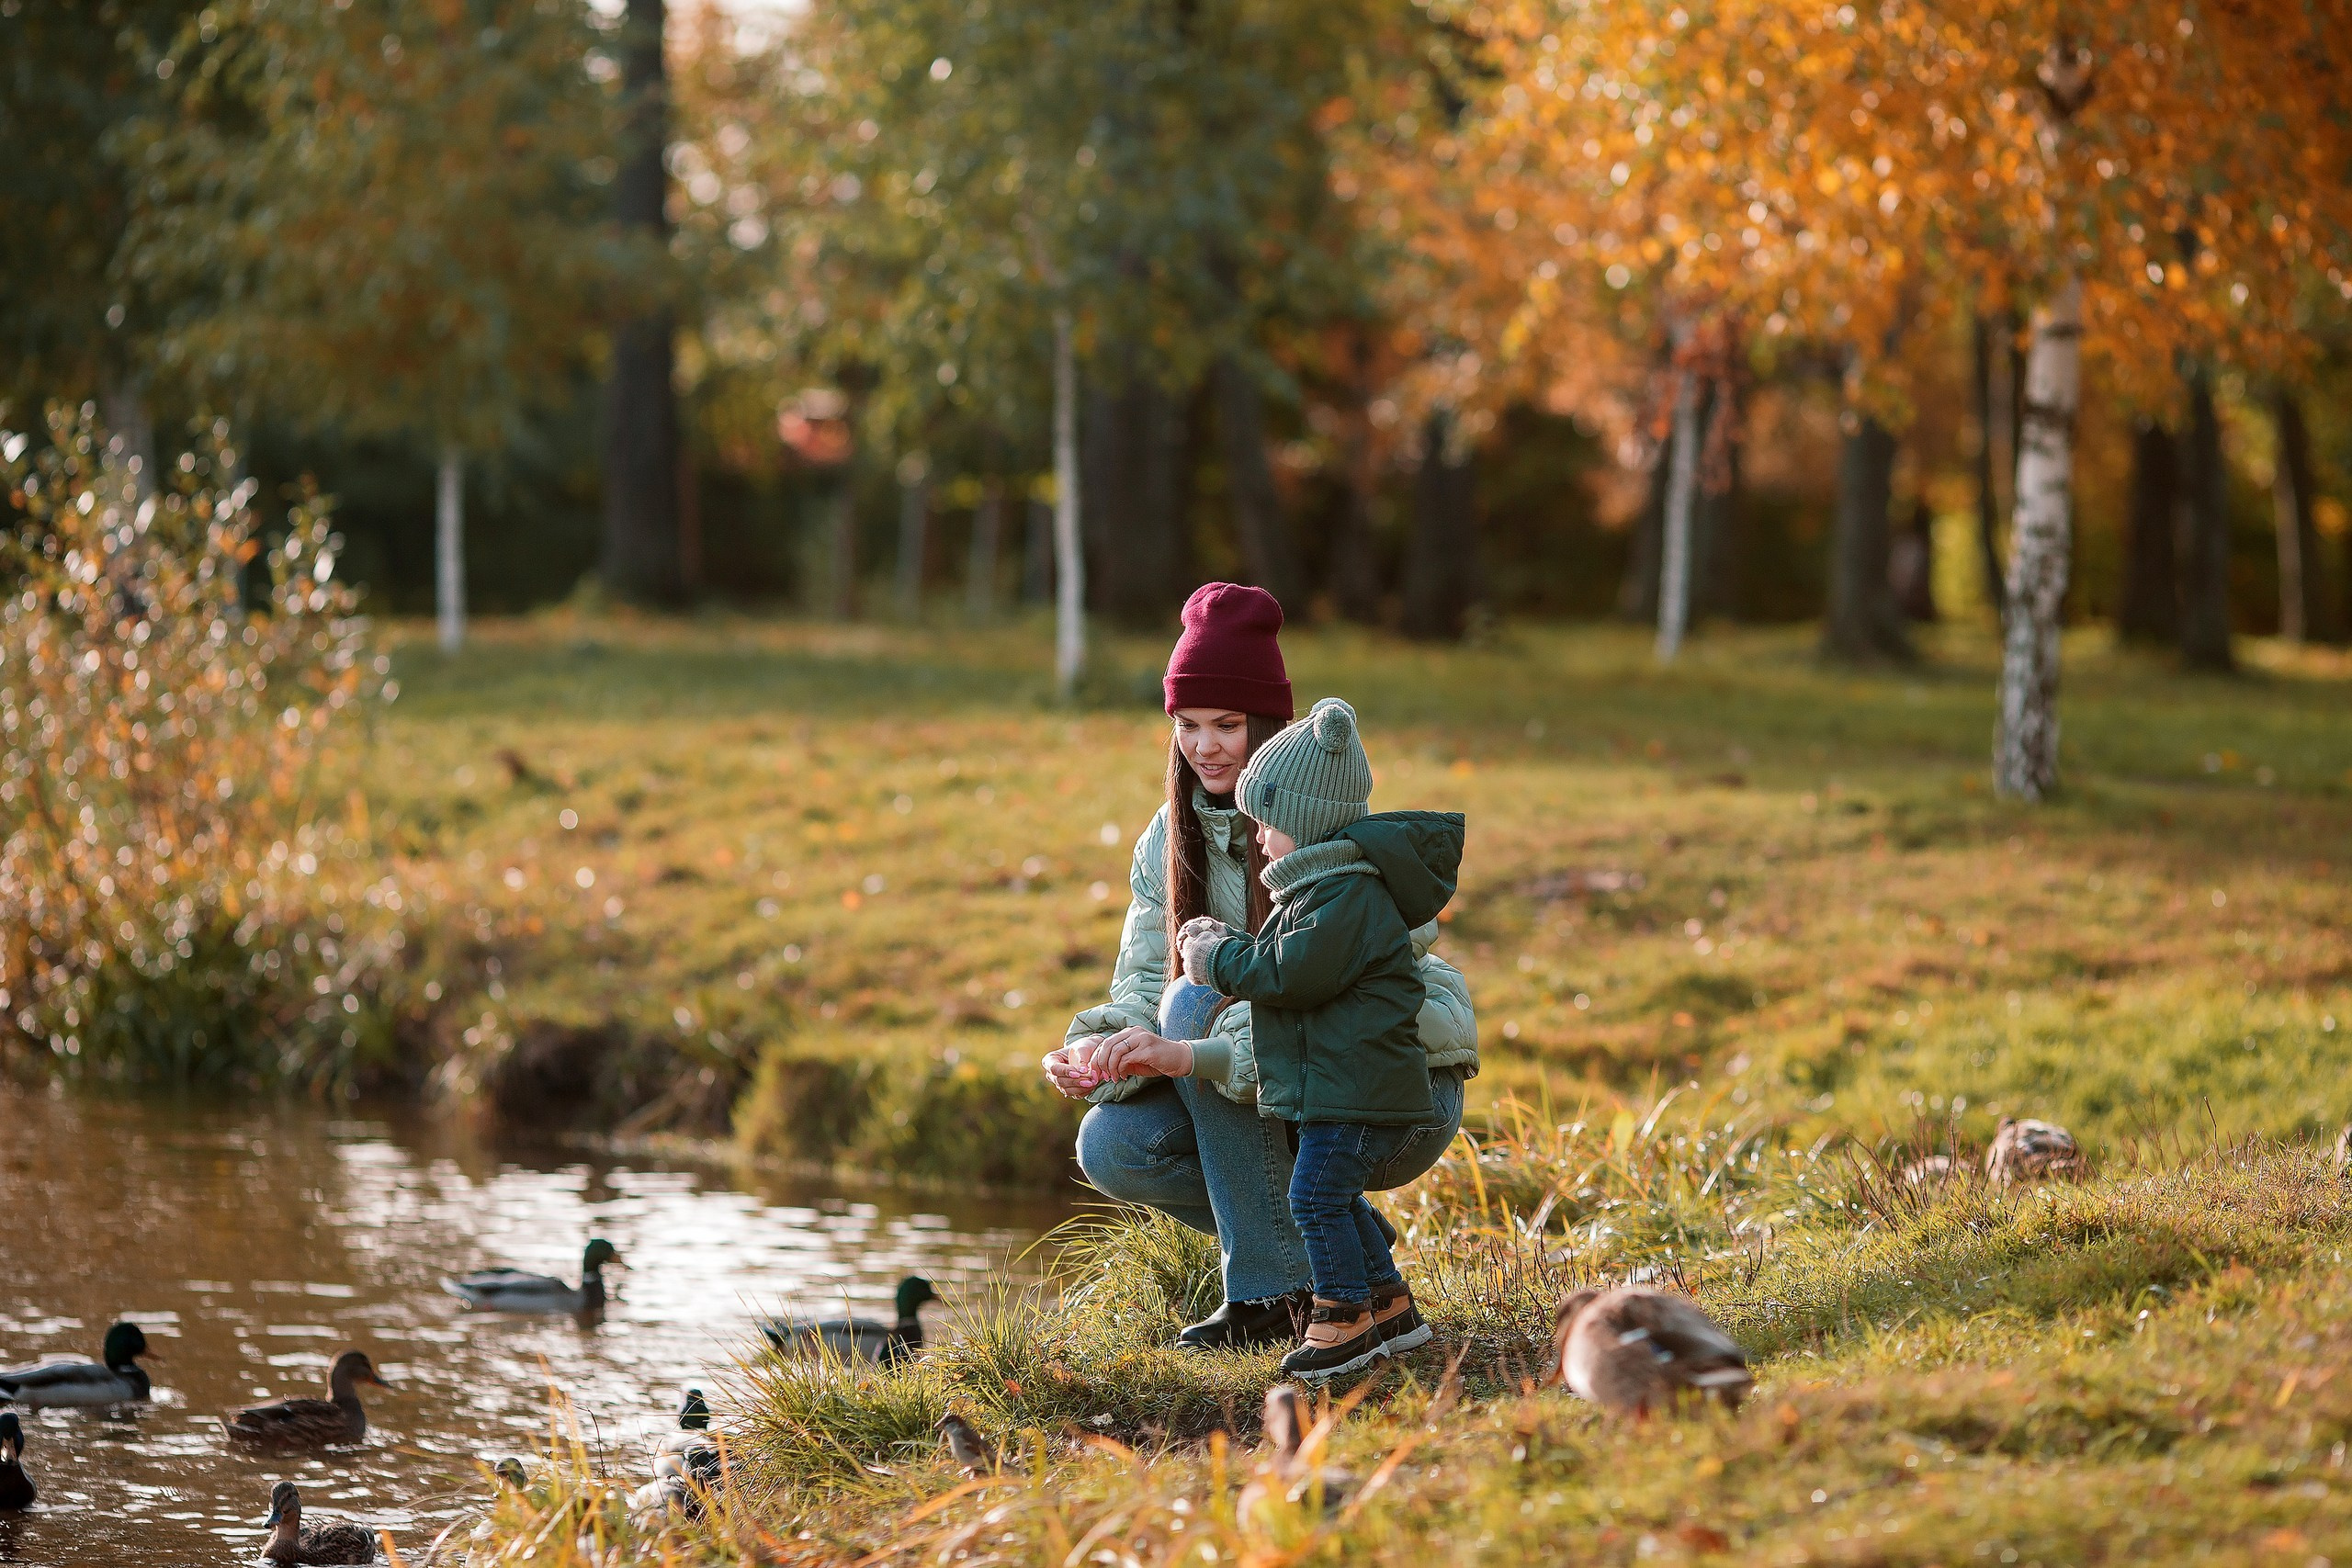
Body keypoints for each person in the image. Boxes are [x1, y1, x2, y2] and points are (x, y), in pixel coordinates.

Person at [1042, 583, 1479, 1350]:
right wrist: (1104, 1047)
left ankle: (1272, 1293)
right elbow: (1144, 983)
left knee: (1189, 1005)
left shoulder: (1328, 832)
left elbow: (1323, 1003)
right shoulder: (1165, 839)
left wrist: (1184, 1044)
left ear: (1270, 724)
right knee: (1110, 1144)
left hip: (1387, 1095)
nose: (1204, 746)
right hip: (1279, 1085)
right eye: (1186, 725)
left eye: (1227, 724)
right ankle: (1340, 1248)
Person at [1173, 697, 1460, 1380]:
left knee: (1315, 1196)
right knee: (1335, 1192)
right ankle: (1389, 1304)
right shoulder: (1320, 890)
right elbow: (1292, 963)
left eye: (1268, 824)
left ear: (1303, 824)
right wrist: (1228, 944)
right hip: (1341, 1083)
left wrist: (1217, 961)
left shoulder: (1344, 895)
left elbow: (1289, 973)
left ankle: (1343, 1318)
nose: (1261, 838)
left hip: (1358, 1089)